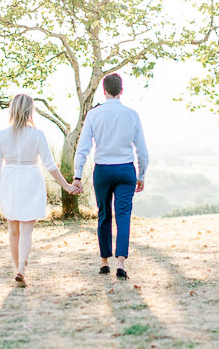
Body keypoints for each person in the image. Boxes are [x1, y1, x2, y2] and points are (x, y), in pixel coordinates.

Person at [0, 93, 79, 287]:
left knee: (13, 229)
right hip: (31, 178)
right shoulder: (37, 135)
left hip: (10, 180)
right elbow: (50, 165)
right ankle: (22, 268)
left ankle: (18, 270)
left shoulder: (2, 135)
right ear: (30, 110)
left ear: (12, 109)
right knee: (27, 229)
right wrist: (66, 185)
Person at [73, 73, 149, 281]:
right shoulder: (132, 114)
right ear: (121, 91)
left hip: (103, 170)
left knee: (104, 214)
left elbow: (83, 147)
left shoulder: (94, 115)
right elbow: (142, 150)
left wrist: (77, 175)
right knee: (123, 215)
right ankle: (121, 263)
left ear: (104, 91)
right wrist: (141, 174)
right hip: (126, 169)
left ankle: (104, 261)